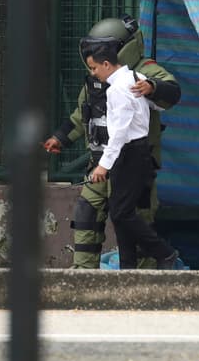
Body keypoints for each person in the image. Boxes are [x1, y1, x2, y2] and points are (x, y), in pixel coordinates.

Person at [43, 15, 181, 268]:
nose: (94, 60)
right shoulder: (99, 75)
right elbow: (81, 114)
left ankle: (145, 273)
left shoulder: (142, 71)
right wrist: (60, 138)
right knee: (87, 212)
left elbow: (172, 91)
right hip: (101, 164)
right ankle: (84, 271)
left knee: (134, 219)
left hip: (133, 161)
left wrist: (152, 87)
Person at [81, 40, 178, 269]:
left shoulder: (118, 89)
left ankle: (163, 252)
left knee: (122, 212)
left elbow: (119, 132)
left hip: (130, 153)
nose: (93, 74)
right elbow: (158, 107)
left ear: (106, 64)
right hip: (136, 152)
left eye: (94, 68)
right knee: (119, 212)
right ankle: (127, 265)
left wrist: (103, 165)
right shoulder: (134, 78)